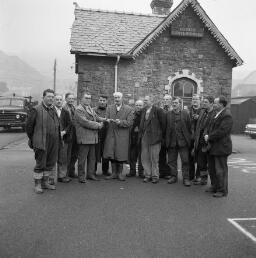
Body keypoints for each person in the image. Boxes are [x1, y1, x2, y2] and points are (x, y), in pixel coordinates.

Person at [26, 89, 60, 193]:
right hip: (41, 142)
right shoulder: (36, 109)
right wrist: (33, 139)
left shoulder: (53, 109)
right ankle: (37, 185)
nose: (51, 98)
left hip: (53, 142)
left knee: (50, 163)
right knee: (40, 164)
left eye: (52, 97)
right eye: (49, 96)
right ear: (43, 97)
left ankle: (45, 182)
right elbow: (29, 127)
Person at [204, 96, 233, 197]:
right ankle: (215, 186)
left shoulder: (227, 115)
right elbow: (210, 126)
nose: (214, 104)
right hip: (213, 146)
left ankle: (222, 190)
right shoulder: (216, 114)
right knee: (212, 168)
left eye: (215, 103)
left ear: (221, 104)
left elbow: (222, 131)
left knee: (220, 170)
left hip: (221, 147)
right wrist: (207, 134)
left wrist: (209, 137)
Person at [74, 93, 105, 183]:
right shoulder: (79, 109)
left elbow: (96, 117)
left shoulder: (89, 107)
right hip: (84, 138)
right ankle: (81, 176)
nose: (88, 100)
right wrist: (99, 125)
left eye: (89, 98)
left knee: (92, 158)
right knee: (82, 159)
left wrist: (106, 119)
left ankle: (90, 175)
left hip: (92, 138)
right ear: (81, 99)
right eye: (86, 98)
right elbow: (85, 122)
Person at [104, 92, 134, 181]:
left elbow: (130, 122)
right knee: (111, 153)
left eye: (118, 97)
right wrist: (107, 120)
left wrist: (121, 122)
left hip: (122, 135)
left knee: (120, 154)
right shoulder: (109, 108)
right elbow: (106, 118)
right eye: (115, 97)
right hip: (111, 133)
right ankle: (113, 173)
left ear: (122, 98)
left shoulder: (129, 109)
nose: (116, 99)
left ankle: (120, 174)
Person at [139, 95, 166, 184]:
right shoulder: (143, 110)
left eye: (146, 100)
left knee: (154, 158)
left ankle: (155, 176)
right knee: (145, 157)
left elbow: (163, 125)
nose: (144, 102)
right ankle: (147, 175)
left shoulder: (158, 110)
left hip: (155, 138)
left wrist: (160, 136)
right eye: (144, 100)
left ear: (152, 101)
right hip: (145, 137)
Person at [165, 97, 192, 186]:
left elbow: (189, 127)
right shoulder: (168, 114)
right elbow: (166, 128)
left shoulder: (185, 113)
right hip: (172, 141)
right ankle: (173, 176)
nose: (174, 104)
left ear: (180, 103)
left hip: (183, 142)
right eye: (173, 102)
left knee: (185, 161)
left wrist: (189, 139)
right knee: (171, 161)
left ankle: (186, 178)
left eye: (176, 103)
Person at [193, 95, 215, 185]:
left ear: (211, 103)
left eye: (206, 102)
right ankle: (203, 178)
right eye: (203, 102)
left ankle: (207, 180)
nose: (203, 103)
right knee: (200, 162)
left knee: (208, 163)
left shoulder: (214, 114)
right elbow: (199, 126)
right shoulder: (202, 112)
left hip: (208, 142)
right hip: (200, 141)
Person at [54, 94, 72, 183]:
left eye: (60, 99)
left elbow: (69, 124)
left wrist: (64, 132)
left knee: (63, 158)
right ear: (54, 100)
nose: (59, 101)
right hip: (52, 139)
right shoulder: (51, 111)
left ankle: (62, 176)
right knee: (51, 158)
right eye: (57, 99)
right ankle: (49, 178)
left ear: (62, 101)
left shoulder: (65, 112)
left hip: (63, 138)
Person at [93, 95, 110, 176]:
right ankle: (93, 170)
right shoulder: (93, 110)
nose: (102, 102)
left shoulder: (110, 110)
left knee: (105, 153)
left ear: (106, 101)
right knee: (95, 153)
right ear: (98, 100)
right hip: (96, 134)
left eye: (104, 100)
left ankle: (105, 170)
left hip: (107, 134)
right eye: (101, 100)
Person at [127, 99, 144, 178]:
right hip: (132, 138)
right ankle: (132, 171)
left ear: (143, 106)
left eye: (140, 105)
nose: (138, 107)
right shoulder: (131, 114)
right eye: (137, 105)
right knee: (132, 156)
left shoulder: (145, 114)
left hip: (141, 139)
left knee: (141, 157)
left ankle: (141, 172)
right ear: (135, 106)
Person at [63, 93, 78, 179]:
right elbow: (69, 122)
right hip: (68, 135)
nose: (71, 100)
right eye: (69, 98)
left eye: (73, 99)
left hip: (75, 135)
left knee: (74, 155)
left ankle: (71, 171)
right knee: (67, 156)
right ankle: (65, 173)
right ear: (66, 99)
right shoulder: (64, 109)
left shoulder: (74, 108)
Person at [159, 94, 172, 179]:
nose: (166, 101)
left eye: (167, 99)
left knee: (170, 156)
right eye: (165, 99)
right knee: (161, 155)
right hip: (162, 136)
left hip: (171, 136)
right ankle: (162, 172)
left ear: (170, 100)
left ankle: (169, 173)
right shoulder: (160, 110)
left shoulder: (173, 110)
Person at [189, 94, 201, 183]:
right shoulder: (188, 111)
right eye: (193, 99)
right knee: (190, 158)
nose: (195, 100)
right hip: (190, 138)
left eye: (196, 99)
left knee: (200, 159)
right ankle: (190, 176)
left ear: (199, 100)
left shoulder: (203, 111)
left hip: (200, 138)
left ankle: (199, 176)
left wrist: (199, 117)